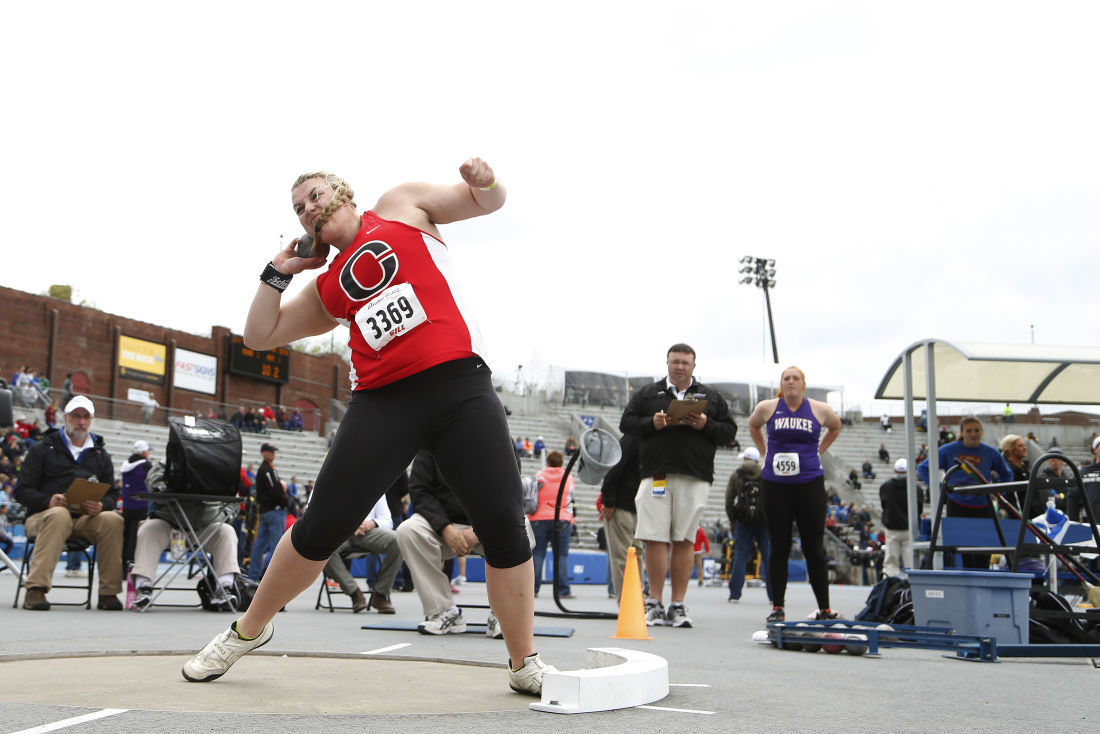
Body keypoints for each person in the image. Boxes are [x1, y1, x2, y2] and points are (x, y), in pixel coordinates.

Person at [182, 159, 553, 696]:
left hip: (459, 387)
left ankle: (524, 663)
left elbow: (487, 203)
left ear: (340, 189)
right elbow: (260, 334)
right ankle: (246, 630)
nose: (309, 206)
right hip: (384, 402)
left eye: (314, 193)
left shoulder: (402, 204)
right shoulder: (327, 287)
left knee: (503, 526)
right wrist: (278, 270)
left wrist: (485, 180)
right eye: (298, 207)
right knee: (318, 529)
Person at [620, 343, 736, 628]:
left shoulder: (711, 397)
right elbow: (626, 423)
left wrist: (705, 423)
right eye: (675, 361)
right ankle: (655, 602)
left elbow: (729, 432)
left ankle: (678, 605)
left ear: (693, 366)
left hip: (694, 475)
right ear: (667, 363)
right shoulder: (648, 393)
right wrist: (652, 423)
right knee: (654, 539)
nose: (680, 366)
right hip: (655, 474)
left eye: (685, 362)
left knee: (685, 539)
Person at [747, 365, 842, 624]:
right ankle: (777, 606)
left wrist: (819, 450)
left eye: (795, 378)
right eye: (786, 378)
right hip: (776, 484)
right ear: (781, 383)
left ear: (803, 384)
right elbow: (753, 425)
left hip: (809, 483)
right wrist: (764, 452)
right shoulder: (768, 407)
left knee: (814, 547)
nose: (791, 382)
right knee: (779, 545)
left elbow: (835, 426)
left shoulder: (819, 409)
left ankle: (824, 609)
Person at [13, 396, 124, 611]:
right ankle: (36, 588)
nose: (81, 422)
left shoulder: (101, 454)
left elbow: (112, 494)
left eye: (86, 417)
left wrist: (102, 506)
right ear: (66, 418)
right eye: (76, 416)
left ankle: (108, 592)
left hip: (84, 520)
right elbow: (21, 491)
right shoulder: (43, 448)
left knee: (112, 519)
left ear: (91, 420)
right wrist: (49, 500)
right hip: (43, 517)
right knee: (59, 515)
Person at [396, 451, 521, 639]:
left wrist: (479, 529)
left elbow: (509, 490)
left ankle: (503, 614)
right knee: (408, 530)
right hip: (444, 525)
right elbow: (419, 490)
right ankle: (442, 610)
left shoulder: (499, 436)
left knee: (522, 527)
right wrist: (445, 527)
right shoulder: (431, 440)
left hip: (489, 525)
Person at [132, 461, 244, 610]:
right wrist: (165, 485)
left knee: (226, 531)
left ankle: (225, 587)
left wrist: (225, 514)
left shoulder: (220, 466)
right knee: (149, 529)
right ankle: (143, 587)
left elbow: (233, 498)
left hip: (205, 527)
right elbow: (153, 481)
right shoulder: (167, 463)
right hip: (170, 523)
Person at [917, 416, 1013, 569]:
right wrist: (940, 488)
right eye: (969, 431)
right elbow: (923, 468)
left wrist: (998, 491)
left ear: (981, 432)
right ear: (961, 433)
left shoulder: (991, 452)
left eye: (976, 430)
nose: (973, 434)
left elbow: (1007, 474)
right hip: (957, 505)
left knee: (984, 550)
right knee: (962, 550)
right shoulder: (948, 450)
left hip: (984, 506)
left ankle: (983, 579)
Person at [322, 493, 402, 613]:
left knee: (398, 540)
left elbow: (387, 520)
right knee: (322, 546)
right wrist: (348, 524)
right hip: (340, 531)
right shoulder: (332, 482)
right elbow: (320, 513)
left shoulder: (377, 487)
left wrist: (372, 523)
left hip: (368, 530)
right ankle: (354, 592)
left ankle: (380, 594)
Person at [598, 434, 642, 601]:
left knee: (634, 553)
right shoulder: (633, 438)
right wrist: (609, 499)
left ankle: (634, 599)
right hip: (622, 504)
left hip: (635, 505)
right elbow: (613, 468)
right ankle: (628, 602)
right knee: (624, 556)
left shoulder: (639, 437)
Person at [725, 447, 772, 603]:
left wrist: (734, 520)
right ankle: (774, 595)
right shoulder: (766, 474)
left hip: (743, 522)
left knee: (740, 556)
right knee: (768, 557)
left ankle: (735, 594)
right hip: (763, 521)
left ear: (745, 459)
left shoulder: (737, 475)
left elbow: (729, 501)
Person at [528, 450, 575, 599]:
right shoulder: (568, 477)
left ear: (548, 462)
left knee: (537, 554)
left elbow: (531, 495)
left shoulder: (539, 475)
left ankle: (533, 589)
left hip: (539, 518)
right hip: (562, 518)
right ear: (561, 463)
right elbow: (570, 497)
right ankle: (563, 589)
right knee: (561, 555)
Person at [247, 443, 287, 581]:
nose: (273, 454)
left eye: (273, 451)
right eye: (270, 451)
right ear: (264, 453)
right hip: (274, 510)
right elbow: (274, 488)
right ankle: (272, 577)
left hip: (266, 510)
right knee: (275, 545)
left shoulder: (267, 469)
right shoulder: (266, 470)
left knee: (260, 543)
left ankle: (254, 574)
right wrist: (284, 501)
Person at [879, 458, 922, 577]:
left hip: (892, 527)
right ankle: (912, 584)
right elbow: (919, 508)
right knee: (910, 561)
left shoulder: (885, 487)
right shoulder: (915, 488)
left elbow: (884, 505)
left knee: (891, 560)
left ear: (895, 470)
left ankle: (889, 583)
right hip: (910, 528)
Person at [119, 439, 154, 571]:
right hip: (141, 507)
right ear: (144, 452)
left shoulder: (125, 465)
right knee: (137, 539)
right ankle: (134, 566)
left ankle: (123, 568)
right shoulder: (146, 465)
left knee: (126, 538)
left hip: (127, 506)